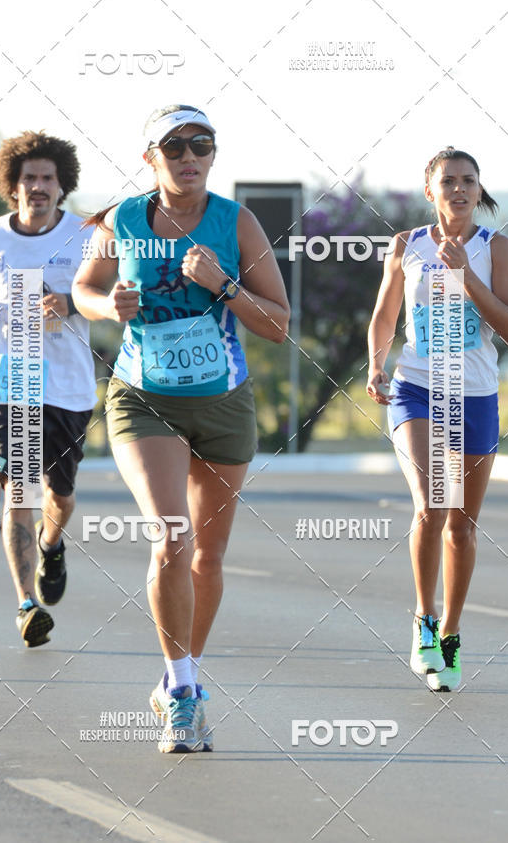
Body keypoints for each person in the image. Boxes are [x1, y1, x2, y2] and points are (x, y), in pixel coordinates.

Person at [73, 104, 290, 752]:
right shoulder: (123, 220)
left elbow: (277, 323)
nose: (189, 155)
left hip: (224, 403)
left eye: (202, 144)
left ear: (213, 155)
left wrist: (223, 284)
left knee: (207, 556)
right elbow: (84, 290)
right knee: (171, 537)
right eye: (174, 147)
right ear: (150, 158)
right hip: (145, 401)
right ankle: (184, 692)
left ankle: (180, 675)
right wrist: (106, 304)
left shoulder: (236, 222)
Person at [367, 146, 508, 692]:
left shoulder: (494, 247)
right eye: (449, 181)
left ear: (480, 192)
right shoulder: (405, 245)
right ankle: (423, 621)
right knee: (433, 502)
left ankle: (452, 635)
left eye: (469, 181)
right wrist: (376, 364)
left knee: (461, 524)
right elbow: (386, 314)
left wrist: (467, 279)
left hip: (474, 395)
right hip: (415, 390)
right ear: (429, 190)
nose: (459, 189)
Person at [0, 131, 97, 648]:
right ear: (12, 185)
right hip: (11, 380)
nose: (37, 187)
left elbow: (111, 294)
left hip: (70, 387)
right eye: (27, 178)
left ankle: (52, 545)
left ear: (62, 186)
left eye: (46, 179)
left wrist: (72, 304)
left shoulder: (85, 236)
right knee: (20, 489)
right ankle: (26, 605)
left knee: (59, 494)